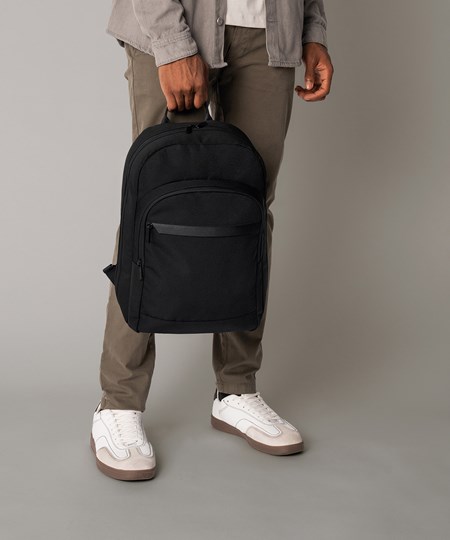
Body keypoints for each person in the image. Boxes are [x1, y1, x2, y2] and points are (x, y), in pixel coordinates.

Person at [90, 0, 334, 481]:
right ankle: (118, 403)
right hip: (176, 22)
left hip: (270, 33)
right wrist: (172, 43)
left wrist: (312, 29)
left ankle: (236, 389)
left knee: (249, 211)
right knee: (152, 208)